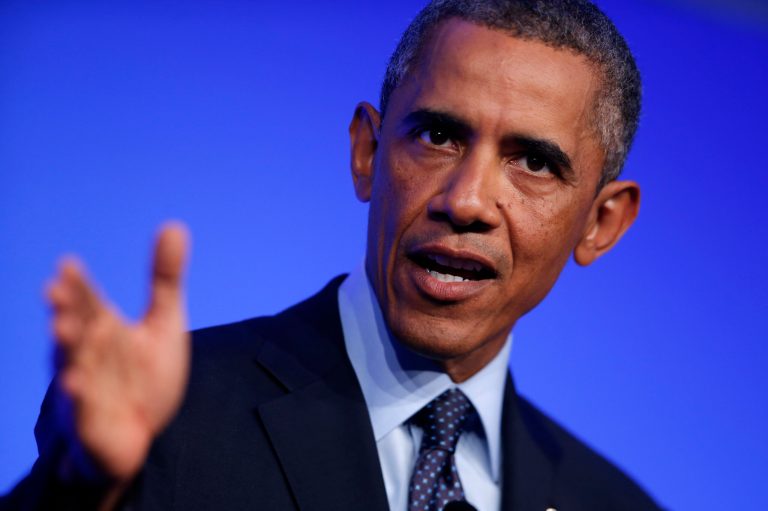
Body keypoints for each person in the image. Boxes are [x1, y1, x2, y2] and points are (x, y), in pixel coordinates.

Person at [2, 0, 662, 510]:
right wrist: (82, 488)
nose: (466, 201)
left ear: (601, 222)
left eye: (535, 163)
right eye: (438, 135)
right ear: (367, 153)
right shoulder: (172, 421)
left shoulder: (613, 503)